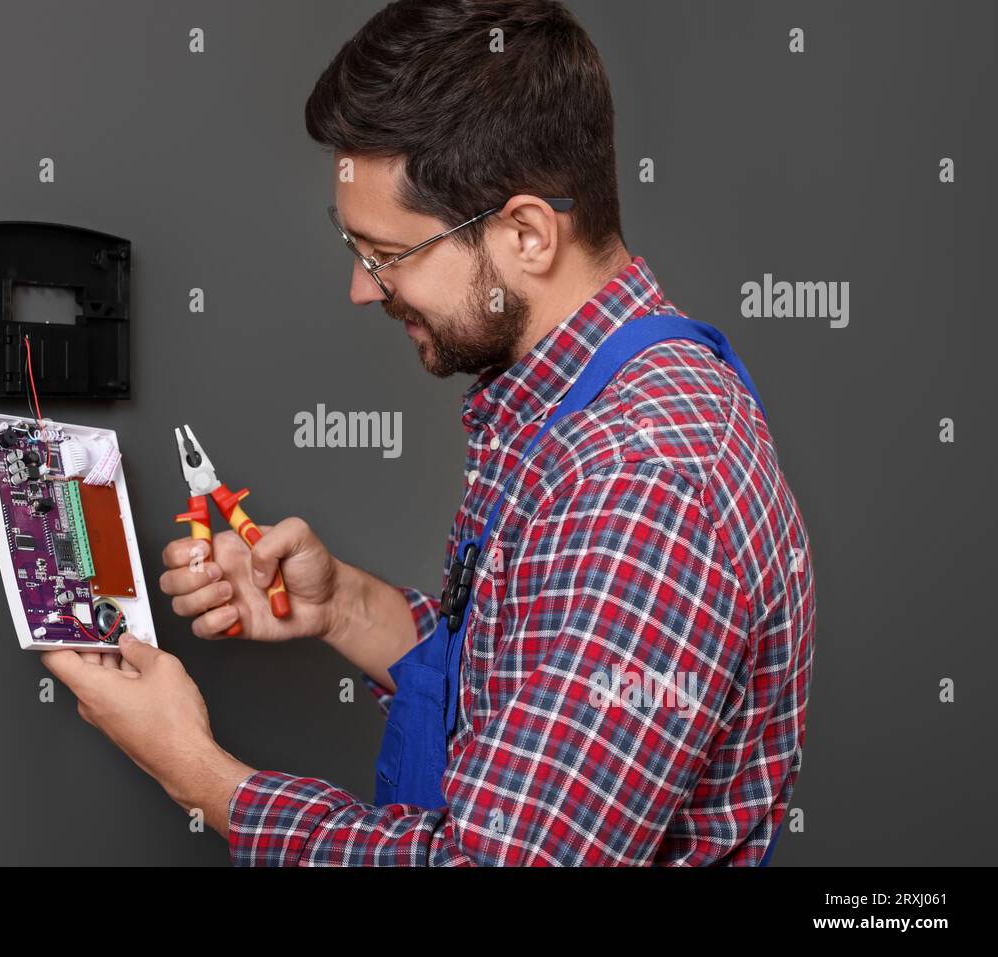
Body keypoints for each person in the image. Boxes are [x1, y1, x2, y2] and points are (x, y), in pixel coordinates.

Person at [43, 0, 814, 866]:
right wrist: (343, 605)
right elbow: (523, 680)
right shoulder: (580, 401)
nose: (362, 289)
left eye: (387, 255)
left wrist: (194, 769)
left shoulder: (638, 483)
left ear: (527, 233)